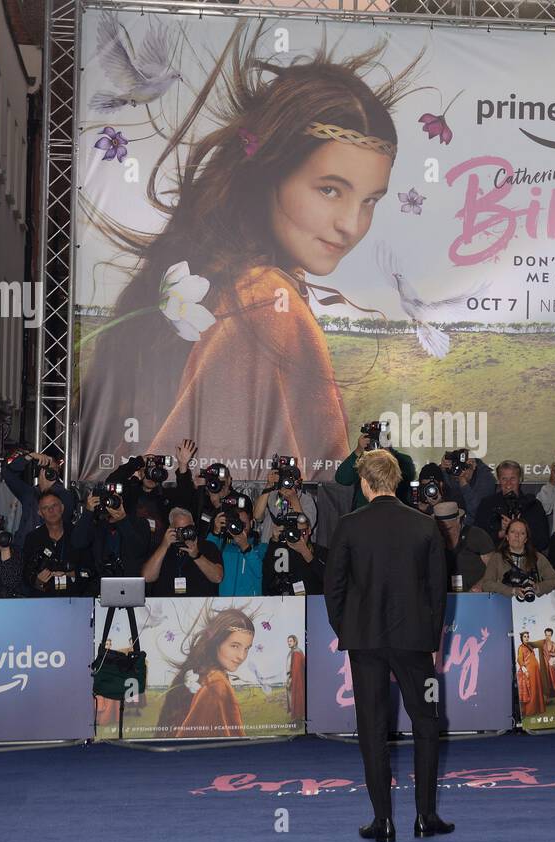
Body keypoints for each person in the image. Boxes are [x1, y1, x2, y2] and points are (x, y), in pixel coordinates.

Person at [85, 21, 423, 483]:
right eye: (329, 190)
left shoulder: (220, 284)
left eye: (370, 201)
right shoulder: (266, 302)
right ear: (269, 176)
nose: (351, 224)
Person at [323, 449, 452, 842]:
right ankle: (425, 817)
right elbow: (437, 592)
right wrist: (433, 640)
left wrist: (349, 628)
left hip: (366, 644)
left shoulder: (348, 526)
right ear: (397, 481)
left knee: (372, 729)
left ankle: (383, 822)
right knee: (427, 724)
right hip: (416, 644)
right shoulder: (426, 526)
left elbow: (334, 589)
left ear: (364, 482)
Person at [157, 608, 255, 738]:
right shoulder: (216, 683)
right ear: (216, 642)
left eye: (247, 648)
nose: (241, 656)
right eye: (235, 646)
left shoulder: (203, 672)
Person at [1, 449, 77, 548]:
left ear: (58, 471)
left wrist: (45, 490)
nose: (49, 472)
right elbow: (8, 474)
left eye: (52, 469)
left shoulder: (66, 495)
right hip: (23, 547)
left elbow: (62, 520)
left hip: (48, 550)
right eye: (46, 468)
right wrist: (29, 457)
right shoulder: (29, 492)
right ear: (40, 471)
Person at [142, 508, 224, 597]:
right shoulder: (161, 548)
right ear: (171, 529)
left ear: (193, 525)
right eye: (180, 529)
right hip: (167, 607)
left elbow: (217, 577)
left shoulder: (207, 547)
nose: (185, 533)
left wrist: (197, 556)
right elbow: (147, 577)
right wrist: (164, 546)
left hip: (199, 607)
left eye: (188, 528)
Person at [336, 423, 417, 510]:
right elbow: (342, 479)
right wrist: (358, 450)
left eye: (380, 438)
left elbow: (407, 477)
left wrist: (386, 454)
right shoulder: (364, 461)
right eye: (373, 438)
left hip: (395, 513)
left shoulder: (402, 460)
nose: (377, 441)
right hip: (365, 514)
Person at [477, 518, 555, 599]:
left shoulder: (537, 557)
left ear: (526, 539)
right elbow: (486, 584)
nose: (517, 535)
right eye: (513, 532)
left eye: (522, 533)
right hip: (504, 604)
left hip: (533, 605)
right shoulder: (497, 558)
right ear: (507, 536)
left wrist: (538, 587)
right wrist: (511, 591)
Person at [24, 490, 88, 596]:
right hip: (42, 599)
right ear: (40, 513)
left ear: (62, 507)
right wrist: (37, 580)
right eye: (45, 508)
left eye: (54, 505)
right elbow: (25, 574)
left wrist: (70, 573)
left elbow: (90, 570)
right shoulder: (32, 538)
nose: (51, 510)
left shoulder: (77, 534)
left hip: (74, 599)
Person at [475, 459, 548, 548]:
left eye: (512, 478)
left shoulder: (533, 505)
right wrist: (500, 533)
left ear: (520, 479)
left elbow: (543, 541)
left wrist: (521, 530)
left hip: (528, 557)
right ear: (499, 480)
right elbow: (478, 540)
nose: (508, 484)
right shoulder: (487, 504)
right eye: (504, 479)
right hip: (497, 557)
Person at [261, 512, 329, 596]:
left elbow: (331, 580)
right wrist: (274, 542)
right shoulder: (281, 552)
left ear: (309, 530)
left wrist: (306, 553)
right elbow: (266, 581)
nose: (299, 537)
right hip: (285, 605)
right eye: (295, 532)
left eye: (303, 532)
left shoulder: (320, 552)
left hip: (313, 604)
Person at [252, 459, 317, 544]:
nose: (286, 483)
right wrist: (268, 485)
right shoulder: (271, 496)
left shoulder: (306, 500)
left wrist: (294, 501)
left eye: (291, 480)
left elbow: (306, 529)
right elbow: (257, 516)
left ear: (298, 482)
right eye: (284, 479)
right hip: (269, 549)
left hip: (294, 550)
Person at [432, 501, 493, 591]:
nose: (445, 533)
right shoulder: (436, 540)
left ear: (458, 520)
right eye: (441, 529)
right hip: (449, 597)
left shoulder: (477, 536)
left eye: (448, 529)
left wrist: (481, 585)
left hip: (477, 596)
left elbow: (494, 567)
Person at [214, 500, 268, 597]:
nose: (240, 528)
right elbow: (206, 554)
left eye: (243, 524)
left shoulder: (261, 548)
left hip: (252, 607)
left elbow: (262, 574)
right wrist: (215, 531)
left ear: (251, 523)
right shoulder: (222, 546)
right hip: (225, 606)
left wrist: (246, 547)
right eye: (237, 523)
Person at [440, 450, 494, 529]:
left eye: (465, 466)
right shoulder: (453, 472)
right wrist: (443, 470)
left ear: (474, 464)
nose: (462, 471)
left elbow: (477, 512)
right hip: (457, 523)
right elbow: (450, 497)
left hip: (479, 527)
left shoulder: (486, 479)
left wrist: (464, 485)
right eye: (459, 466)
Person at [535, 628, 555, 707]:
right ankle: (548, 699)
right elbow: (533, 644)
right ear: (544, 635)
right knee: (547, 683)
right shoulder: (542, 644)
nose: (547, 637)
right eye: (546, 635)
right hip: (546, 669)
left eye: (549, 635)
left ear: (551, 635)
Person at [516, 635, 545, 718]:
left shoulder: (530, 646)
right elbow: (519, 659)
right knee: (531, 689)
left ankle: (538, 708)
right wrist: (524, 670)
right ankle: (530, 710)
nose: (526, 638)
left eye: (527, 636)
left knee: (536, 688)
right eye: (525, 637)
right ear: (521, 638)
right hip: (529, 671)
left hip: (535, 671)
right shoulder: (521, 647)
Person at [285, 635, 306, 723]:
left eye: (290, 641)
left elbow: (296, 669)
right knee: (293, 697)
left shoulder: (297, 652)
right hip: (293, 677)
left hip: (296, 679)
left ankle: (297, 720)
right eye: (288, 641)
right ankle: (296, 718)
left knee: (296, 697)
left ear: (295, 641)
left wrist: (292, 680)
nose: (289, 643)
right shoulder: (292, 652)